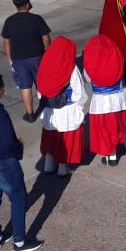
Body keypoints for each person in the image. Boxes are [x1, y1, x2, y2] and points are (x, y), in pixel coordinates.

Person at [0, 73, 43, 251]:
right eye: (3, 88)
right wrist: (19, 146)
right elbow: (8, 142)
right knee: (19, 198)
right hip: (3, 162)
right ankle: (19, 243)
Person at [35, 36, 87, 178]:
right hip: (66, 109)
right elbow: (78, 90)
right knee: (64, 139)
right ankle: (62, 168)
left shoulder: (44, 64)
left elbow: (40, 88)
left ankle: (49, 164)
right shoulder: (71, 67)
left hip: (49, 109)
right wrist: (79, 104)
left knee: (51, 136)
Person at [83, 35, 126, 166]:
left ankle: (111, 156)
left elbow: (87, 79)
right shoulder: (117, 59)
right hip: (121, 97)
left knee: (106, 130)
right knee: (123, 122)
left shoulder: (90, 66)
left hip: (102, 102)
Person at [1, 0, 52, 122]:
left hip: (19, 60)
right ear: (27, 4)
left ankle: (30, 114)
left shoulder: (10, 21)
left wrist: (10, 60)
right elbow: (45, 38)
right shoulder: (36, 19)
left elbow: (6, 42)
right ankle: (47, 107)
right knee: (42, 83)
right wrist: (48, 52)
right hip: (37, 57)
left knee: (25, 87)